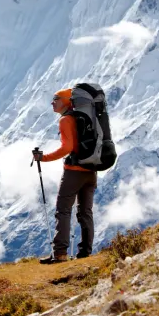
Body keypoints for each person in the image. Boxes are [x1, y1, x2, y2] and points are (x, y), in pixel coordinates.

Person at [32, 87, 98, 264]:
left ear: (67, 101)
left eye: (56, 99)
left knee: (63, 210)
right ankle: (85, 254)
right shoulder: (85, 118)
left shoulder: (66, 120)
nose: (52, 102)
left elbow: (67, 148)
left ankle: (60, 254)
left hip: (73, 172)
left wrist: (43, 158)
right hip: (91, 171)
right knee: (85, 212)